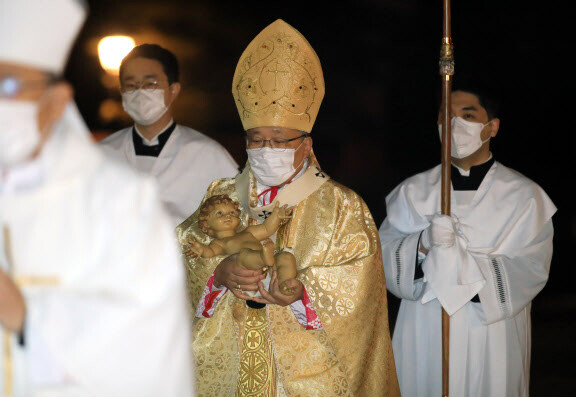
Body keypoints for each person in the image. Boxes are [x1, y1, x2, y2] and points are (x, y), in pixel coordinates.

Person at [176, 19, 400, 396]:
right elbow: (184, 247)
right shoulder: (224, 193)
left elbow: (358, 289)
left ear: (307, 144)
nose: (265, 151)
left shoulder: (341, 206)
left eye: (278, 140)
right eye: (256, 140)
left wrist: (302, 292)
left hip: (307, 370)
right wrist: (219, 272)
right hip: (229, 362)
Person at [0, 1, 194, 395]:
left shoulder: (120, 203)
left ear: (55, 102)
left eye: (8, 85)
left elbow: (148, 347)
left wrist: (26, 318)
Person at [378, 85, 556, 396]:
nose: (454, 124)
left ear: (492, 126)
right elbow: (382, 257)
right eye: (446, 115)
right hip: (425, 328)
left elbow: (532, 268)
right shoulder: (412, 192)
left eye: (467, 115)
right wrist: (421, 244)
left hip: (492, 330)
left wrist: (462, 270)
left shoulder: (525, 197)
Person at [99, 43, 239, 227]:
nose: (140, 92)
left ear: (173, 90)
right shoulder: (100, 155)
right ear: (122, 92)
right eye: (131, 85)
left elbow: (240, 223)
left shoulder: (207, 155)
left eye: (150, 84)